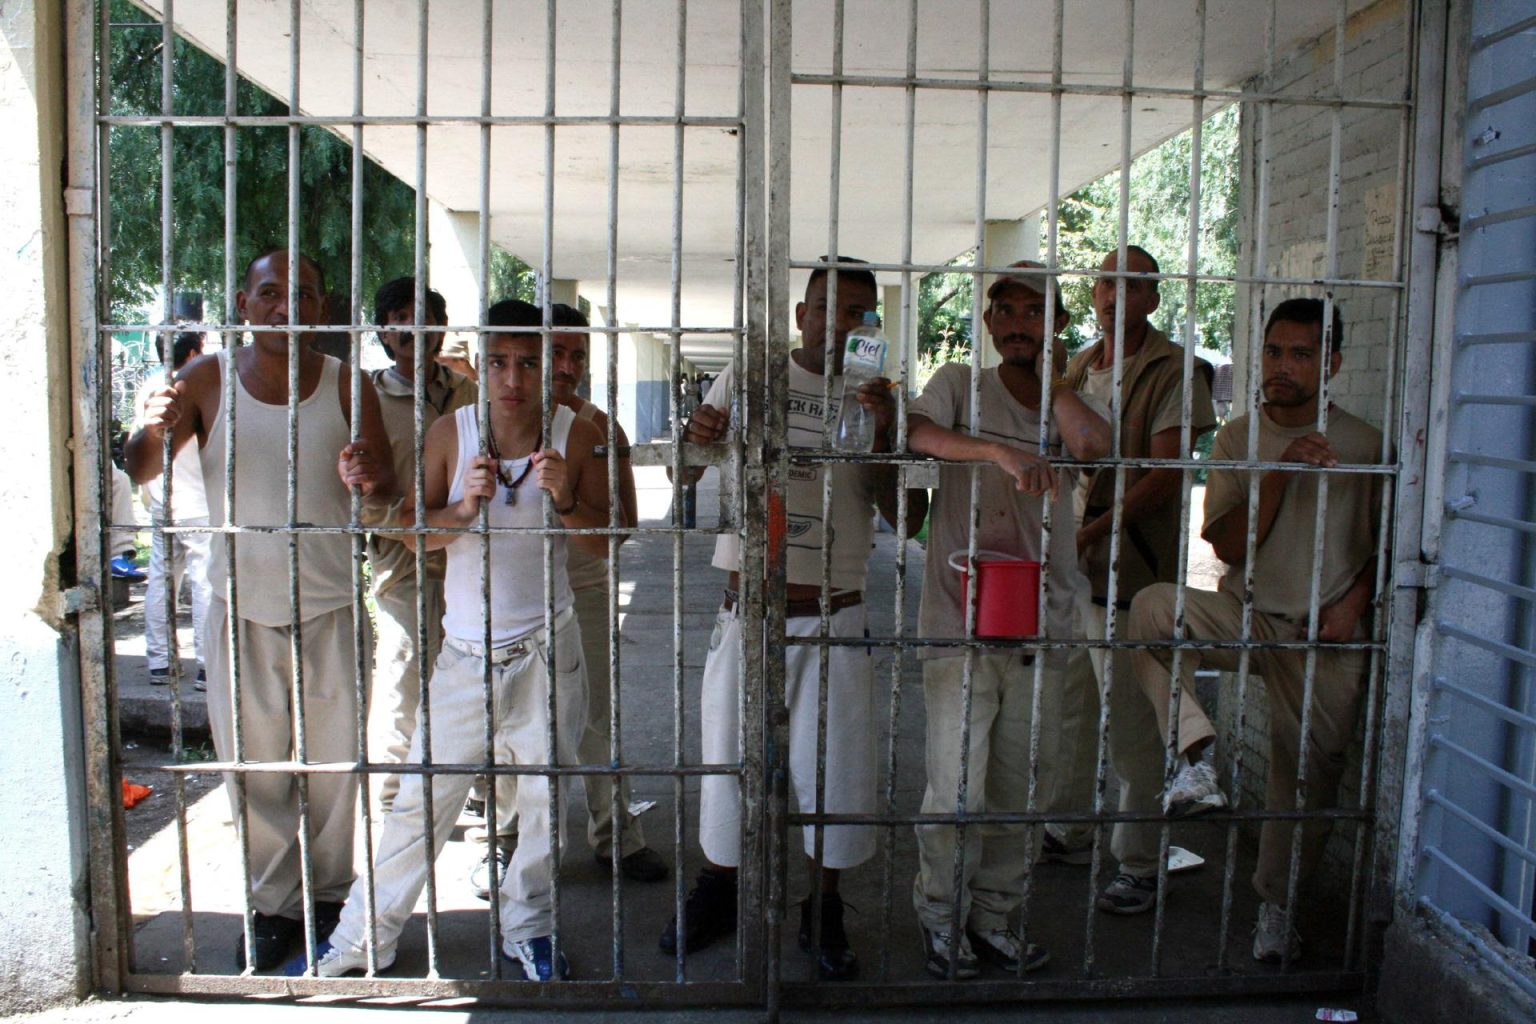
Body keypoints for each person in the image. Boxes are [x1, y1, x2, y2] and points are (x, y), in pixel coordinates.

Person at [286, 298, 611, 982]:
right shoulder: (448, 433)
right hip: (465, 651)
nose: (513, 379)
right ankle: (363, 937)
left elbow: (608, 541)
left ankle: (530, 930)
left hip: (548, 650)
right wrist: (463, 509)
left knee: (544, 803)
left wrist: (567, 499)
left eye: (528, 361)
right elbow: (412, 529)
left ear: (550, 361)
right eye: (497, 362)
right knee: (419, 801)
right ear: (480, 362)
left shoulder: (577, 434)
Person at [125, 250, 396, 970]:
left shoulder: (349, 385)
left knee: (336, 763)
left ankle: (333, 898)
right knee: (256, 764)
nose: (286, 306)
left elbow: (384, 487)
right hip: (239, 602)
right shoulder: (206, 379)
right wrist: (151, 424)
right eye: (270, 293)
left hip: (333, 601)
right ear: (244, 304)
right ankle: (275, 904)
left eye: (301, 293)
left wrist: (366, 477)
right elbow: (142, 465)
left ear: (323, 303)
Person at [660, 257, 928, 980]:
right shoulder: (750, 380)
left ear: (873, 325)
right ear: (800, 314)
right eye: (825, 308)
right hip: (747, 610)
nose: (838, 325)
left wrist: (883, 436)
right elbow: (680, 477)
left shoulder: (882, 401)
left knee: (835, 773)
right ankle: (718, 889)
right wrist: (698, 436)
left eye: (857, 314)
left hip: (834, 614)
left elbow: (910, 519)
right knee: (727, 764)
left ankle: (824, 907)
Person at [1121, 297, 1382, 963]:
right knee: (1151, 608)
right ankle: (1196, 757)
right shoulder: (1237, 438)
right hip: (1247, 615)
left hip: (1324, 634)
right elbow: (1230, 547)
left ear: (1332, 364)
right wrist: (1280, 474)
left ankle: (1277, 910)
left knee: (1306, 781)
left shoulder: (1366, 444)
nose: (1282, 367)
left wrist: (1354, 602)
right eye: (1273, 351)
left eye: (1300, 354)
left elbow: (1391, 544)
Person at [905, 260, 1110, 978]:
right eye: (1007, 311)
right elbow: (915, 431)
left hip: (1043, 622)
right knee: (955, 785)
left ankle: (994, 917)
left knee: (1024, 786)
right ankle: (940, 918)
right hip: (959, 619)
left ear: (1054, 324)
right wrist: (995, 448)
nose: (1019, 324)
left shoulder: (1067, 400)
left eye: (1036, 312)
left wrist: (1054, 386)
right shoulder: (962, 384)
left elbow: (1094, 449)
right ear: (988, 321)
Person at [1038, 245, 1217, 920]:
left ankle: (1140, 860)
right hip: (1075, 570)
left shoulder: (1173, 366)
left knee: (1134, 723)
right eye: (1105, 282)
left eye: (1132, 284)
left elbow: (1168, 471)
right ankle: (1072, 828)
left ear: (1152, 296)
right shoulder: (1081, 363)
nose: (1114, 294)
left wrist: (1094, 532)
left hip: (1131, 570)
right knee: (1072, 706)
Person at [471, 302, 668, 896]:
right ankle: (504, 843)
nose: (566, 366)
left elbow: (623, 523)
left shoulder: (597, 428)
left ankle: (616, 835)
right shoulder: (481, 421)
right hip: (506, 593)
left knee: (592, 717)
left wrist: (568, 504)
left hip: (580, 588)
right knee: (506, 721)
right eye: (554, 352)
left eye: (578, 355)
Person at [363, 277, 477, 814]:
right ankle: (392, 799)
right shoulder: (368, 398)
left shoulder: (469, 392)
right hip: (402, 560)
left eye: (424, 317)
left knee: (474, 673)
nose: (413, 328)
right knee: (405, 678)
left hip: (472, 557)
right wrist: (408, 530)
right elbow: (362, 491)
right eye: (399, 318)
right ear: (384, 332)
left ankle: (479, 789)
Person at [134, 330, 212, 689]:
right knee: (205, 581)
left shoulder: (148, 386)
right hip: (198, 500)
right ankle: (207, 665)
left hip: (163, 499)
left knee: (161, 579)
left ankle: (160, 663)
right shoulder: (194, 387)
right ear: (194, 351)